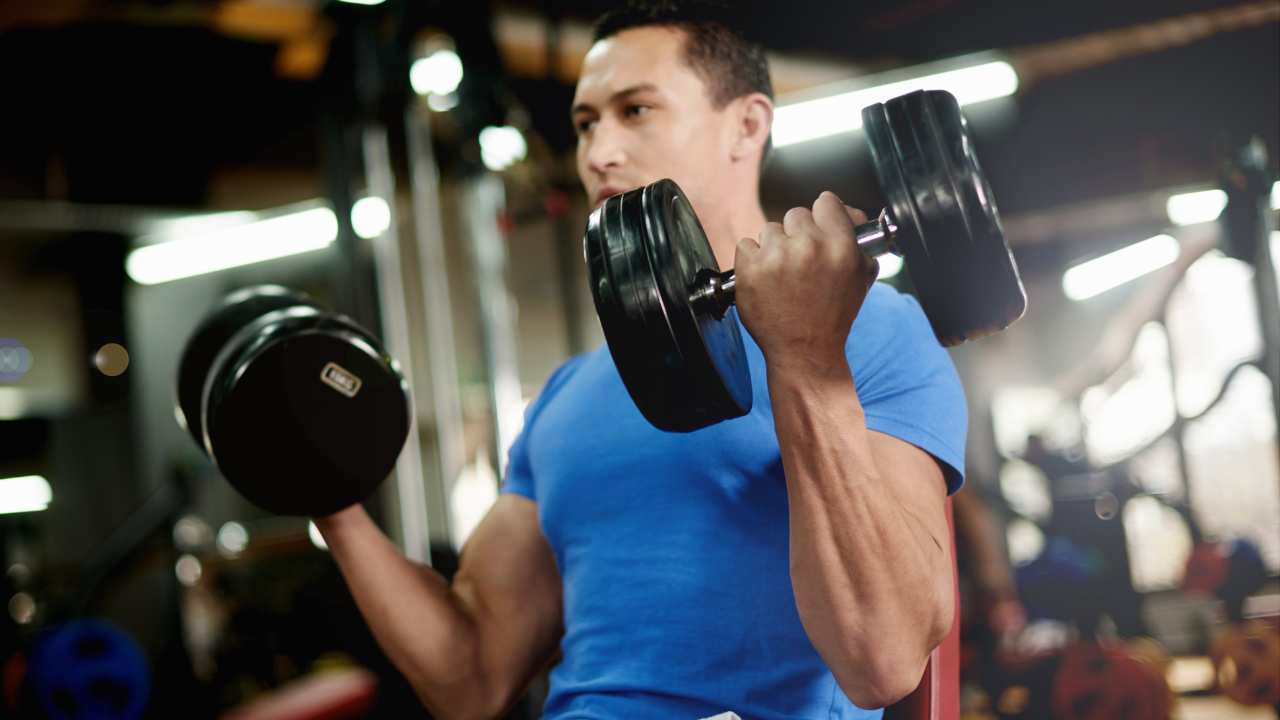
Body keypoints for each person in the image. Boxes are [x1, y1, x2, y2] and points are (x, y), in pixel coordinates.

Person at [315, 2, 967, 717]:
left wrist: (806, 358)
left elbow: (885, 658)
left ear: (747, 125)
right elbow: (471, 676)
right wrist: (328, 500)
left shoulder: (873, 332)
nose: (598, 153)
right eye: (586, 123)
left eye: (636, 110)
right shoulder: (568, 395)